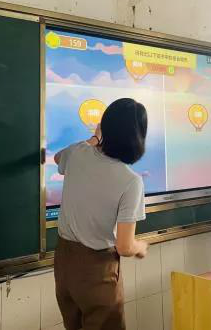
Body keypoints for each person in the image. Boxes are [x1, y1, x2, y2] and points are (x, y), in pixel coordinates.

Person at [53, 98, 149, 330]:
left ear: (103, 126)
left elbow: (57, 159)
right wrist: (140, 247)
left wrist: (94, 139)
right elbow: (124, 246)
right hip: (97, 272)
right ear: (138, 136)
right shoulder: (131, 181)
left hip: (64, 264)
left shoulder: (77, 152)